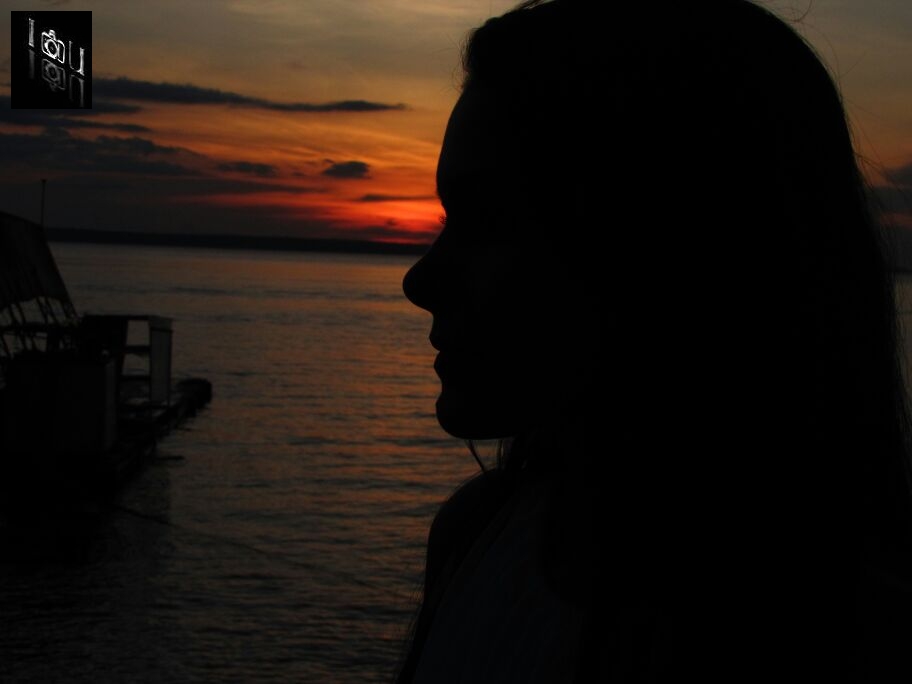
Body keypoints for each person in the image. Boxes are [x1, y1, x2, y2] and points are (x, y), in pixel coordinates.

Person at [397, 0, 912, 681]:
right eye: (448, 219)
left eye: (490, 221)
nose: (420, 280)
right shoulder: (475, 539)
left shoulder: (854, 641)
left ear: (658, 250)